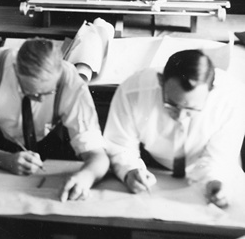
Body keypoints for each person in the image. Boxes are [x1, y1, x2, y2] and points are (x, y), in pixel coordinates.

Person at [0, 39, 110, 202]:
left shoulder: (72, 83)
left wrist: (85, 177)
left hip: (51, 147)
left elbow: (99, 156)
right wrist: (5, 160)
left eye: (48, 92)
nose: (41, 101)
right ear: (16, 69)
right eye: (33, 94)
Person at [104, 50, 245, 209]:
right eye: (171, 104)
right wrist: (130, 170)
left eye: (191, 109)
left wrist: (215, 181)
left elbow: (219, 159)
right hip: (153, 167)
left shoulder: (232, 99)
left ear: (210, 91)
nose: (180, 117)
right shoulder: (132, 91)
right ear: (161, 81)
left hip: (210, 169)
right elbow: (119, 144)